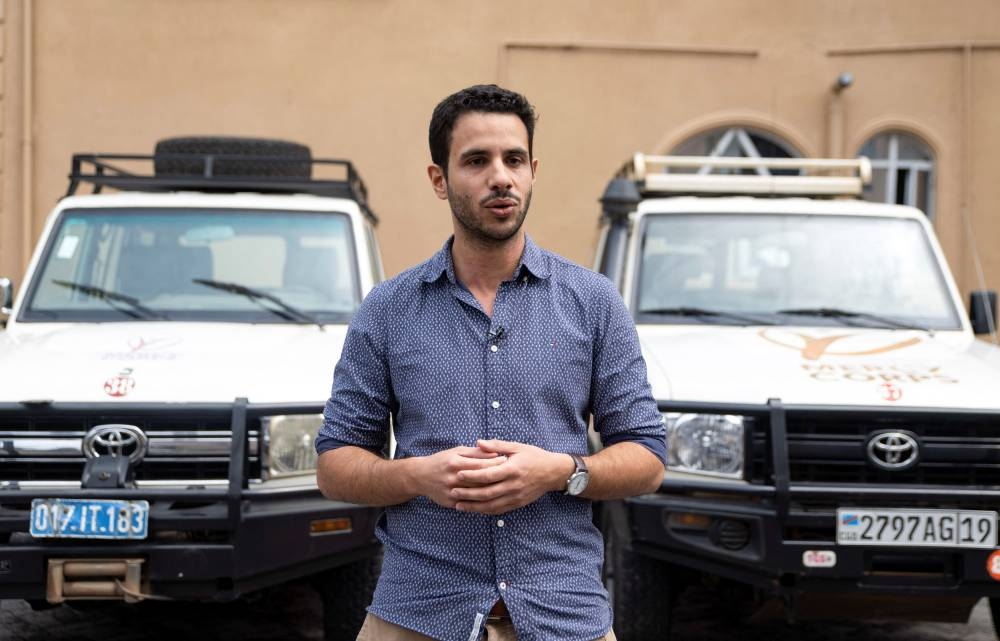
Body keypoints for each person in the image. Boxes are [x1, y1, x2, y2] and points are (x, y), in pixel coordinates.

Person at [315, 84, 666, 641]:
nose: (500, 176)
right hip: (418, 609)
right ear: (439, 179)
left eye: (514, 159)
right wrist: (414, 476)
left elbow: (647, 457)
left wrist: (561, 472)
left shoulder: (594, 302)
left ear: (532, 171)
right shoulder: (388, 309)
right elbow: (335, 464)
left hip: (563, 610)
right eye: (476, 161)